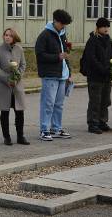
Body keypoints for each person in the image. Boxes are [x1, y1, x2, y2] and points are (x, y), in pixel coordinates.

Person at [35, 9, 73, 141]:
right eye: (62, 24)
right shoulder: (44, 35)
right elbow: (40, 55)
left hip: (62, 74)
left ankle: (56, 128)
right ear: (55, 21)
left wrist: (69, 73)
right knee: (48, 103)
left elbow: (65, 55)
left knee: (59, 104)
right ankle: (44, 129)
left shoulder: (63, 34)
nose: (64, 27)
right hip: (50, 75)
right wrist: (57, 57)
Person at [0, 28, 30, 145]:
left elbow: (23, 64)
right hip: (3, 85)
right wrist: (7, 78)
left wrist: (17, 76)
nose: (7, 37)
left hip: (17, 86)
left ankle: (20, 136)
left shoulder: (19, 49)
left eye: (10, 35)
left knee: (19, 111)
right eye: (5, 35)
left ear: (14, 37)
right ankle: (6, 137)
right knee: (5, 111)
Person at [82, 18, 112, 134]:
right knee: (95, 101)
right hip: (95, 77)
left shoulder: (108, 40)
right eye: (104, 27)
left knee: (105, 100)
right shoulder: (93, 40)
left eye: (107, 27)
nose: (106, 29)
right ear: (98, 28)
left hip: (107, 76)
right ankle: (93, 123)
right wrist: (103, 69)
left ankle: (102, 121)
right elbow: (91, 59)